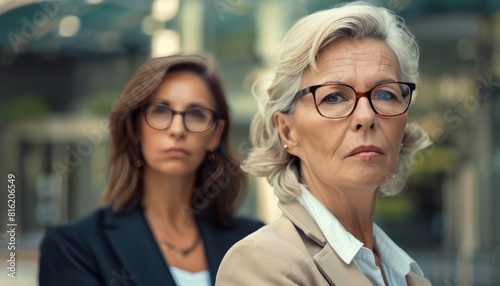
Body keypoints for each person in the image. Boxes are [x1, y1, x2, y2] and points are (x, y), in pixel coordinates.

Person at [216, 2, 432, 286]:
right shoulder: (260, 264)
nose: (366, 116)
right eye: (333, 97)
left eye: (385, 94)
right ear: (287, 132)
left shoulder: (407, 273)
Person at [39, 54, 264, 286]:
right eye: (160, 111)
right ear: (136, 128)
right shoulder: (74, 246)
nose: (177, 130)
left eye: (196, 114)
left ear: (215, 134)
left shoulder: (253, 242)